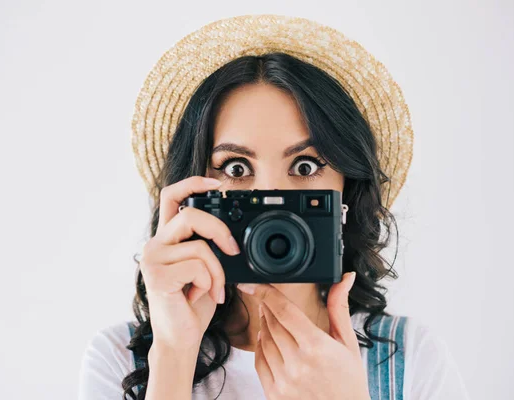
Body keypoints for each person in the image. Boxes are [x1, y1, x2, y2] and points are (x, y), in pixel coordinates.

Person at [78, 14, 470, 400]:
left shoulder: (411, 360)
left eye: (304, 166)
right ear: (193, 194)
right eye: (236, 168)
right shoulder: (118, 361)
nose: (270, 198)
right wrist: (173, 356)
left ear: (346, 193)